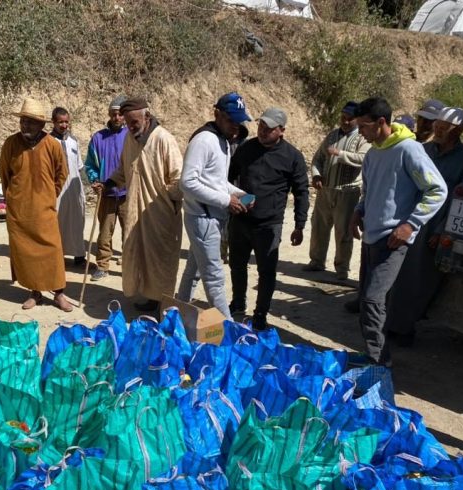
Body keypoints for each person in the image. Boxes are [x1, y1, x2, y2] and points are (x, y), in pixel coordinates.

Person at [350, 97, 447, 366]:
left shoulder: (409, 150)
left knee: (372, 300)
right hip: (372, 236)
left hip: (393, 239)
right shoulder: (372, 153)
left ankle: (380, 362)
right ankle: (372, 354)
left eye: (364, 126)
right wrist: (359, 210)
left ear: (382, 122)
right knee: (367, 300)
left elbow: (437, 189)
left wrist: (411, 224)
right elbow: (368, 190)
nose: (360, 132)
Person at [387, 106, 463, 346]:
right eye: (439, 124)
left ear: (460, 130)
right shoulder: (423, 150)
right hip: (406, 218)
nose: (440, 128)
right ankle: (388, 322)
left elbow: (459, 200)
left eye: (447, 126)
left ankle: (403, 329)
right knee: (395, 272)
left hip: (433, 224)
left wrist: (443, 229)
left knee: (418, 278)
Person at [97, 97, 184, 313]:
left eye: (134, 122)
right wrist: (109, 183)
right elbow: (124, 169)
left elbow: (178, 179)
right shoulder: (130, 138)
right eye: (128, 122)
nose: (131, 126)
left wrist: (169, 200)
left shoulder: (164, 139)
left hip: (160, 213)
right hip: (136, 210)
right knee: (142, 257)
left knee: (161, 259)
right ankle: (151, 298)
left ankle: (165, 304)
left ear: (147, 117)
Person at [228, 107, 309, 330]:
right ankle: (238, 303)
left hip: (269, 225)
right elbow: (229, 175)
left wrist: (299, 224)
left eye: (269, 128)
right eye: (261, 126)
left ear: (281, 131)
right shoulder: (247, 149)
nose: (262, 131)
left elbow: (301, 191)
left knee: (266, 271)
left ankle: (260, 313)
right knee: (237, 265)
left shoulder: (292, 157)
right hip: (241, 220)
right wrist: (231, 199)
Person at [177, 92, 252, 319]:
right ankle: (227, 328)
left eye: (240, 121)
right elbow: (187, 182)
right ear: (217, 114)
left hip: (211, 216)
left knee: (194, 270)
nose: (236, 126)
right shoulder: (204, 141)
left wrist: (239, 193)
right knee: (214, 277)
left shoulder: (223, 141)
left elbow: (217, 181)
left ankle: (177, 315)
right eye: (231, 120)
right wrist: (225, 200)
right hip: (203, 217)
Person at [0, 98, 73, 312]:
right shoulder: (11, 144)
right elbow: (5, 174)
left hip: (44, 210)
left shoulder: (52, 145)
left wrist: (48, 196)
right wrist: (14, 198)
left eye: (30, 122)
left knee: (53, 250)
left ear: (41, 124)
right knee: (25, 254)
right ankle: (34, 293)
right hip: (19, 212)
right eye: (23, 121)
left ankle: (58, 293)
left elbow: (62, 174)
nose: (25, 126)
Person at [304, 101, 370, 280]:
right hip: (326, 190)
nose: (346, 122)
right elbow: (318, 158)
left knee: (344, 231)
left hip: (347, 192)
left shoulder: (363, 138)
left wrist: (340, 155)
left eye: (350, 119)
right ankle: (316, 261)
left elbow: (363, 158)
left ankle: (342, 268)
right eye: (343, 118)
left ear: (357, 120)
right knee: (319, 226)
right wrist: (316, 175)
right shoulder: (332, 135)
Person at [84, 95, 128, 282]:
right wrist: (95, 180)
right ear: (109, 115)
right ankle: (102, 265)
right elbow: (89, 165)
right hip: (106, 194)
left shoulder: (131, 136)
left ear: (125, 116)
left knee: (130, 232)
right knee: (104, 232)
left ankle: (129, 265)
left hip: (127, 193)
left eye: (120, 114)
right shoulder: (98, 138)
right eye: (113, 114)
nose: (117, 117)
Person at [51, 106, 86, 268]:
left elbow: (79, 166)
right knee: (57, 221)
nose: (64, 125)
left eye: (66, 122)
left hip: (74, 187)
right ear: (53, 122)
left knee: (78, 219)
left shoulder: (74, 141)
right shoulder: (48, 142)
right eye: (60, 122)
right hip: (56, 188)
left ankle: (79, 255)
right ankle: (57, 257)